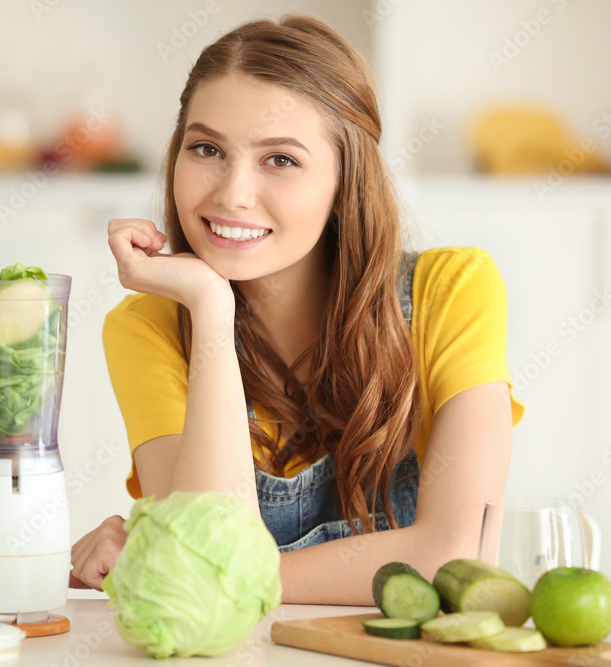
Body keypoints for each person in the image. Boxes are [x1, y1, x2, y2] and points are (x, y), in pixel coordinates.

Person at [69, 14, 524, 606]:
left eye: (280, 160)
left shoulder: (451, 290)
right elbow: (203, 554)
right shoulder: (149, 327)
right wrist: (209, 306)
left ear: (345, 184)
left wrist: (217, 576)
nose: (231, 192)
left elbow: (457, 557)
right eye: (206, 148)